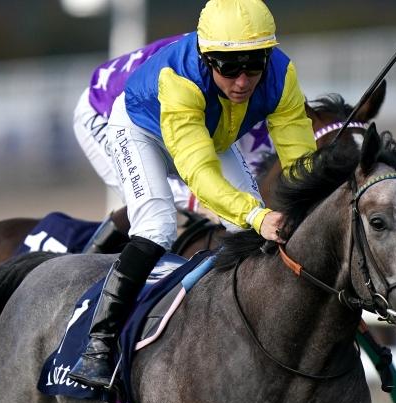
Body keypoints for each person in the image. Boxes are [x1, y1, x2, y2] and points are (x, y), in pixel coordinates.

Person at [68, 0, 317, 389]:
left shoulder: (281, 75)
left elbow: (301, 160)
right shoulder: (180, 78)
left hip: (211, 133)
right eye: (228, 67)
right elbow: (198, 174)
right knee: (157, 226)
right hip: (140, 130)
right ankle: (97, 345)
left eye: (253, 65)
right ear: (206, 59)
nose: (242, 81)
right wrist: (257, 216)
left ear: (268, 57)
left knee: (246, 229)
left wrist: (313, 199)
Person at [72, 32, 278, 248]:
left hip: (166, 111)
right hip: (104, 112)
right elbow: (191, 164)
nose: (244, 81)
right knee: (160, 209)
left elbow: (255, 175)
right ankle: (91, 258)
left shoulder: (251, 76)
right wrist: (200, 203)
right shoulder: (189, 79)